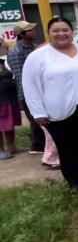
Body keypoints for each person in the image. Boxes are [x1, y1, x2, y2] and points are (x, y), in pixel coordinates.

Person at [23, 17, 78, 188]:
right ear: (49, 34)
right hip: (59, 112)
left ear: (72, 32)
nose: (61, 34)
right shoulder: (38, 56)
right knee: (68, 150)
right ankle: (76, 184)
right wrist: (38, 112)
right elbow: (30, 85)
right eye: (56, 31)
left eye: (65, 30)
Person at [7, 20, 45, 155]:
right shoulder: (15, 51)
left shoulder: (34, 47)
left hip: (42, 89)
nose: (33, 32)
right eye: (30, 30)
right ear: (21, 34)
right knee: (36, 120)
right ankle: (37, 146)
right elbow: (21, 77)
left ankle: (42, 144)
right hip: (28, 92)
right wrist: (29, 95)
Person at [0, 39, 21, 160]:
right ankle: (1, 150)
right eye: (3, 44)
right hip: (1, 100)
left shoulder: (4, 60)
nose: (6, 45)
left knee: (9, 123)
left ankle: (12, 146)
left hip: (9, 98)